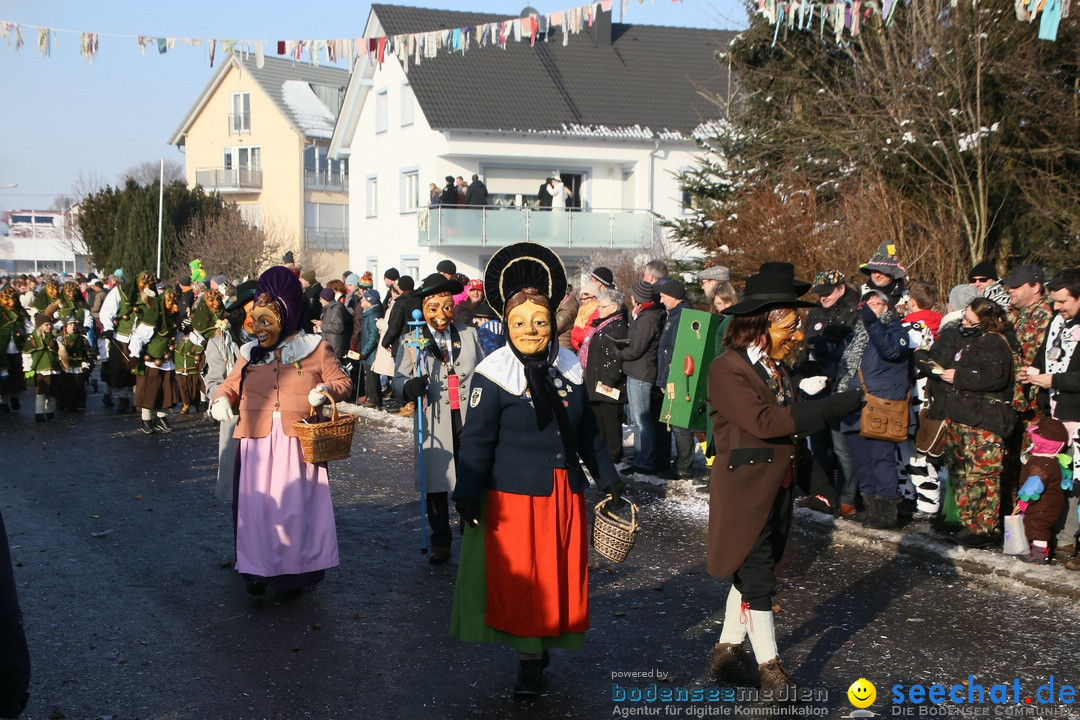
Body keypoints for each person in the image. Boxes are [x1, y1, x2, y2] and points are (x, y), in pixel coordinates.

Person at [450, 241, 623, 697]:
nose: (531, 331)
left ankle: (539, 644)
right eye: (520, 323)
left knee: (553, 583)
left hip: (563, 494)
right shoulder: (494, 372)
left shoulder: (566, 366)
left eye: (540, 322)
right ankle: (528, 662)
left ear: (552, 325)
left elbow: (586, 434)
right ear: (506, 324)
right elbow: (477, 442)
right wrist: (467, 491)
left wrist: (608, 479)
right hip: (514, 500)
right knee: (524, 585)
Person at [707, 263, 863, 693]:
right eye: (790, 328)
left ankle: (725, 652)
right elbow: (767, 421)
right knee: (758, 577)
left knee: (751, 569)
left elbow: (791, 437)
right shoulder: (727, 369)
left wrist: (819, 484)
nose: (798, 337)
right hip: (743, 491)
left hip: (777, 488)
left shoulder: (777, 370)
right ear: (760, 324)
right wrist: (832, 406)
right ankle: (771, 669)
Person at [210, 267, 352, 595]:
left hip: (298, 442)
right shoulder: (249, 353)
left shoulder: (315, 349)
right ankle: (257, 572)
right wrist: (221, 399)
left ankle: (296, 574)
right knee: (258, 510)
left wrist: (325, 391)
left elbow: (342, 381)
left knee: (296, 509)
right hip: (256, 442)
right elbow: (231, 385)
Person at [393, 272, 484, 563]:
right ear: (424, 308)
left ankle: (470, 528)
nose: (442, 315)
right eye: (434, 308)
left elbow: (482, 371)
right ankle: (440, 540)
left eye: (447, 307)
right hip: (434, 418)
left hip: (468, 415)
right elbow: (398, 379)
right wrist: (408, 387)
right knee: (437, 480)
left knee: (470, 471)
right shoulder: (412, 340)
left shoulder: (468, 334)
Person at [920, 297, 1016, 547]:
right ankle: (967, 521)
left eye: (969, 320)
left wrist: (958, 376)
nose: (963, 322)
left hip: (984, 421)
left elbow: (995, 377)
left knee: (982, 476)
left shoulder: (995, 342)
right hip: (963, 415)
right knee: (961, 472)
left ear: (985, 322)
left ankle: (984, 528)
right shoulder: (970, 339)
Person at [1021, 267, 1080, 568]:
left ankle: (1071, 538)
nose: (1055, 307)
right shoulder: (1057, 322)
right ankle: (1062, 538)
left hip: (1076, 415)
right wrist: (1032, 372)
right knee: (1059, 482)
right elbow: (1044, 354)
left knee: (1077, 483)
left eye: (1062, 302)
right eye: (1054, 301)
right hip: (1055, 416)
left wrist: (1053, 380)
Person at [204, 279, 257, 502]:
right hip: (238, 422)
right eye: (251, 311)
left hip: (270, 422)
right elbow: (213, 382)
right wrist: (222, 399)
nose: (257, 317)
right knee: (241, 492)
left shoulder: (275, 342)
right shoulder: (220, 344)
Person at [620, 280, 664, 475]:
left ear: (636, 298)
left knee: (641, 420)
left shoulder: (648, 318)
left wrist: (620, 352)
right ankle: (641, 458)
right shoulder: (643, 315)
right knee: (640, 420)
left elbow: (637, 348)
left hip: (641, 372)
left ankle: (645, 461)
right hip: (637, 370)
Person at [1014, 417, 1071, 564]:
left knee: (1037, 525)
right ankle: (1038, 548)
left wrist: (1024, 500)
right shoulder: (1053, 460)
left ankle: (1040, 554)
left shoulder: (1041, 464)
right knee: (1042, 525)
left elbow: (1033, 486)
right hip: (1051, 503)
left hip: (1042, 505)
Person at [581, 288, 628, 463]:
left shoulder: (617, 327)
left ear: (614, 307)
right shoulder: (602, 326)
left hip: (608, 385)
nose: (599, 310)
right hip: (596, 383)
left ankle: (613, 456)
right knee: (599, 422)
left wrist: (610, 379)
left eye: (603, 306)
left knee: (610, 422)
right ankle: (604, 455)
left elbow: (617, 357)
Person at [655, 279, 696, 479]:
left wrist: (665, 380)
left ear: (673, 296)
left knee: (680, 423)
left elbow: (675, 352)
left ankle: (683, 467)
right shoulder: (675, 314)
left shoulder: (684, 317)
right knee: (675, 422)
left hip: (678, 376)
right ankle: (680, 463)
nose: (661, 300)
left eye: (663, 296)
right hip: (670, 375)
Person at [128, 289, 181, 435]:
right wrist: (134, 354)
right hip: (152, 360)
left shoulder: (173, 317)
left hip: (167, 360)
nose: (174, 305)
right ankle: (146, 419)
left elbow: (177, 335)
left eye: (175, 302)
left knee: (166, 390)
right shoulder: (153, 318)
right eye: (171, 302)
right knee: (150, 390)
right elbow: (139, 337)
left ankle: (161, 417)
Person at [24, 312, 60, 421]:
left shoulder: (53, 338)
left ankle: (50, 412)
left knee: (52, 392)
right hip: (41, 369)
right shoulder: (33, 339)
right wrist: (27, 368)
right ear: (40, 326)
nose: (49, 327)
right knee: (41, 392)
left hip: (54, 369)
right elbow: (26, 354)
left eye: (50, 325)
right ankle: (39, 413)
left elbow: (58, 352)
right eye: (46, 325)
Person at [0, 286, 30, 413]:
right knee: (4, 377)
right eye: (7, 299)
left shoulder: (20, 311)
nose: (11, 302)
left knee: (18, 375)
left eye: (13, 298)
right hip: (3, 350)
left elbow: (29, 326)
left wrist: (27, 336)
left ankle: (15, 397)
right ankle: (3, 401)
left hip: (18, 349)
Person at [356, 289, 384, 408]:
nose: (361, 301)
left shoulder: (373, 314)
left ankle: (374, 398)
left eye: (363, 299)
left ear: (369, 301)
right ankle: (368, 395)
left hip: (371, 352)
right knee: (368, 374)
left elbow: (373, 336)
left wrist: (364, 352)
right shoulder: (368, 312)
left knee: (372, 375)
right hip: (366, 348)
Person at [860, 241, 907, 310]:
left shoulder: (907, 297)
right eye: (874, 270)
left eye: (882, 271)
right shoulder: (860, 294)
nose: (877, 275)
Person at [316, 287, 351, 362]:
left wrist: (322, 325)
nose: (320, 301)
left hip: (335, 346)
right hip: (330, 344)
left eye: (321, 299)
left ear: (326, 299)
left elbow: (338, 327)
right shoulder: (329, 308)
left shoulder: (335, 309)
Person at [299, 270, 323, 334]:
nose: (300, 281)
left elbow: (312, 309)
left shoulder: (312, 293)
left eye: (302, 280)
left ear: (307, 282)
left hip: (312, 325)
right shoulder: (313, 290)